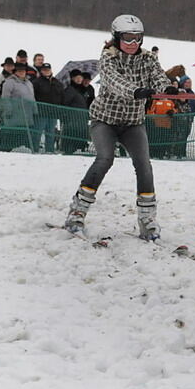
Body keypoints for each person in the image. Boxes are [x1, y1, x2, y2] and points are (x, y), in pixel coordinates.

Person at [63, 14, 171, 240]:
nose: (133, 44)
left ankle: (147, 219)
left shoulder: (148, 59)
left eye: (137, 38)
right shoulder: (108, 57)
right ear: (116, 37)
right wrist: (136, 91)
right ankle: (77, 212)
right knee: (105, 159)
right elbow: (114, 82)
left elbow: (158, 76)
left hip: (133, 123)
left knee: (144, 164)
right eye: (127, 39)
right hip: (105, 121)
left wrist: (167, 88)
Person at [0, 62, 37, 151]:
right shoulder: (9, 82)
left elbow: (32, 97)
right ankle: (5, 151)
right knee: (11, 135)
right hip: (14, 116)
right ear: (15, 72)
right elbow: (5, 97)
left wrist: (35, 109)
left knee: (25, 135)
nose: (21, 72)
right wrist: (8, 110)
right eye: (19, 71)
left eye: (23, 71)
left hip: (27, 116)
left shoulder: (29, 83)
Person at [31, 63, 65, 153]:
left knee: (51, 133)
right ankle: (34, 150)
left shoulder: (57, 82)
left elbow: (61, 95)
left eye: (48, 70)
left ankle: (49, 151)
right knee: (37, 132)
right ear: (41, 71)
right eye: (44, 70)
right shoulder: (36, 82)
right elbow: (32, 96)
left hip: (53, 112)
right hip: (40, 112)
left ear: (51, 70)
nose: (46, 71)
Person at [61, 69, 90, 155]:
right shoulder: (70, 89)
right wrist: (66, 115)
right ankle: (69, 150)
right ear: (72, 78)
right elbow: (65, 102)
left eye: (80, 77)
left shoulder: (82, 90)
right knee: (72, 135)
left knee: (80, 135)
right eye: (76, 77)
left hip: (81, 118)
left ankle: (79, 148)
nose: (79, 79)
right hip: (72, 119)